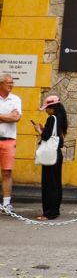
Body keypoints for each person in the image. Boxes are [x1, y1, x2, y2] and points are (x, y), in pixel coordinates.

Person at [32, 95, 67, 220]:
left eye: (47, 108)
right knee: (56, 183)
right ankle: (54, 211)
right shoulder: (60, 118)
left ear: (52, 108)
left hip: (50, 155)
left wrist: (39, 130)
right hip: (57, 154)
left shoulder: (52, 118)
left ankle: (48, 213)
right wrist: (44, 130)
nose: (46, 110)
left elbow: (46, 137)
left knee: (49, 185)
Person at [0, 74, 21, 213]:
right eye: (8, 83)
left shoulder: (16, 99)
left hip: (8, 140)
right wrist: (7, 117)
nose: (11, 85)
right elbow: (11, 117)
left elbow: (16, 117)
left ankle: (6, 203)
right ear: (1, 83)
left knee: (7, 172)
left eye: (12, 83)